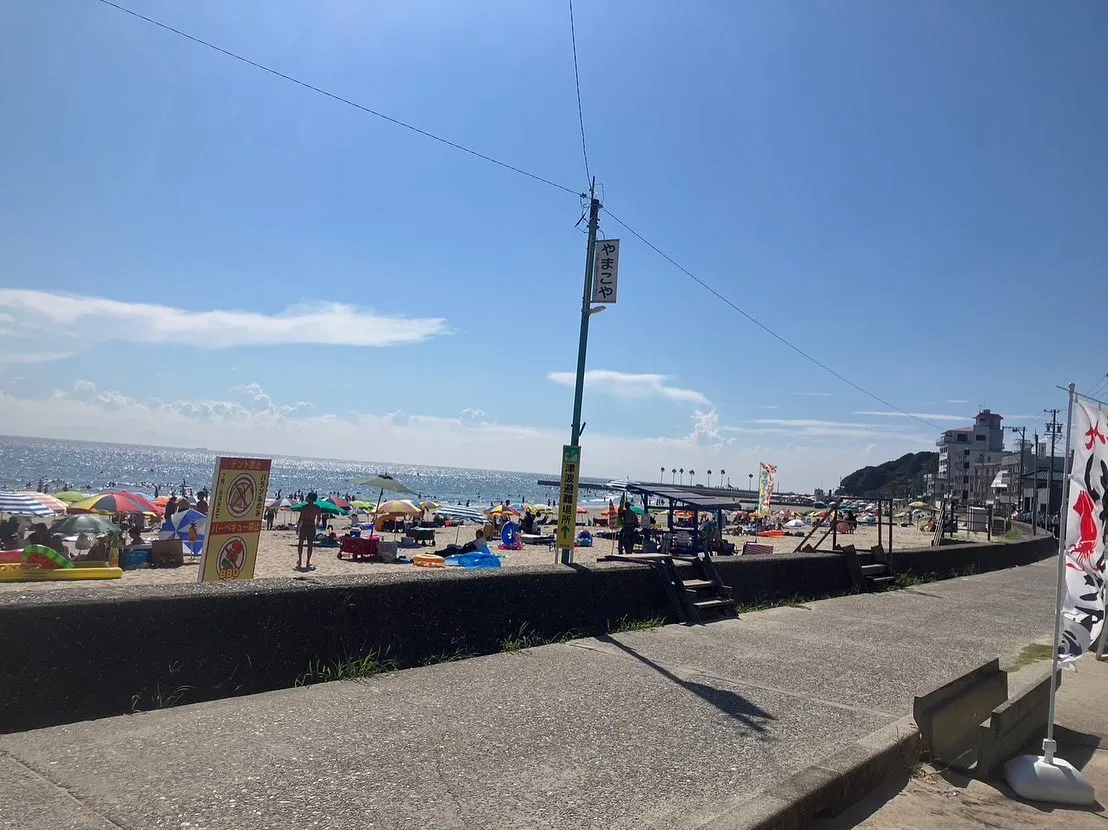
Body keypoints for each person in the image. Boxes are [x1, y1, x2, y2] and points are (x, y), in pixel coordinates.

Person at [296, 492, 322, 571]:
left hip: (304, 525)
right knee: (310, 544)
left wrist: (298, 527)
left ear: (309, 498)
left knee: (300, 543)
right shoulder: (317, 507)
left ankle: (300, 560)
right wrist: (317, 523)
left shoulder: (304, 507)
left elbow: (301, 519)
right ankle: (307, 561)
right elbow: (319, 517)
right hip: (311, 525)